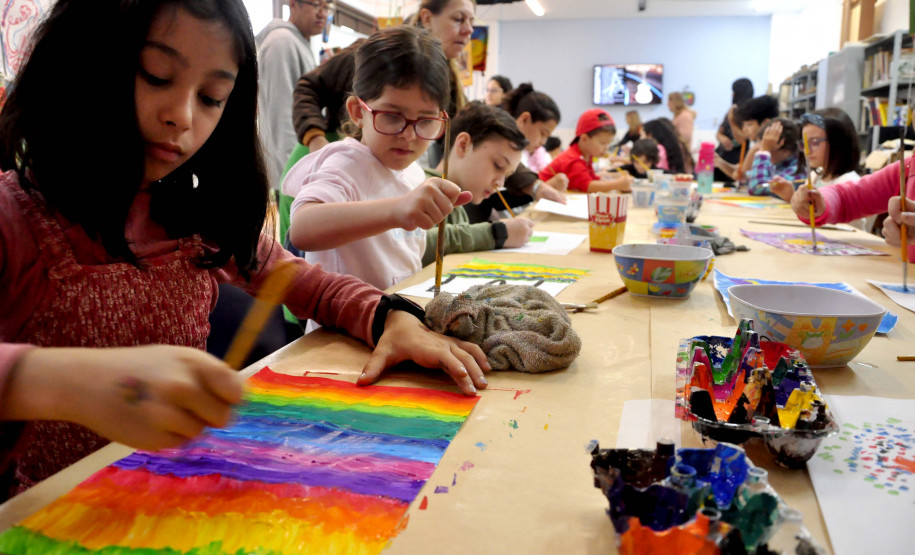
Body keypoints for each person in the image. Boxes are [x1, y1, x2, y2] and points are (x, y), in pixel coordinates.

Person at [0, 0, 488, 502]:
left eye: (212, 98)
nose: (182, 116)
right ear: (83, 63)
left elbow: (308, 283)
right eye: (156, 76)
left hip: (162, 503)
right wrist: (54, 381)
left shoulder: (196, 218)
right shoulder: (14, 218)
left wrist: (391, 318)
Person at [284, 26, 468, 291]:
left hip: (393, 322)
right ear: (358, 111)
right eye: (392, 116)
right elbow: (301, 229)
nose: (408, 136)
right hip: (341, 330)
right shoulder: (345, 163)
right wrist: (397, 210)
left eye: (426, 121)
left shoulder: (413, 171)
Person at [292, 0, 475, 154]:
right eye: (458, 19)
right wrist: (316, 140)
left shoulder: (449, 83)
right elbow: (307, 88)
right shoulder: (374, 57)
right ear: (427, 18)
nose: (469, 30)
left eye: (472, 22)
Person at [422, 101, 535, 265]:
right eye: (498, 166)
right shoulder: (419, 187)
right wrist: (496, 233)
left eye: (507, 175)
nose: (500, 182)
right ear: (463, 145)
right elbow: (413, 244)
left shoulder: (458, 206)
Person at [463, 83, 568, 223]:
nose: (544, 142)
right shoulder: (496, 141)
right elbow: (494, 199)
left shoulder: (523, 153)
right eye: (543, 133)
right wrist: (537, 188)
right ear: (524, 119)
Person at [255, 0, 331, 189]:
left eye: (326, 6)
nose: (322, 13)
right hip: (292, 173)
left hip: (298, 168)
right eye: (315, 5)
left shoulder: (299, 42)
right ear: (293, 4)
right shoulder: (283, 42)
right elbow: (282, 117)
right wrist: (298, 178)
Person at [538, 109, 633, 193]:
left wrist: (615, 177)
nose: (607, 148)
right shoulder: (573, 159)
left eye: (609, 143)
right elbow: (587, 186)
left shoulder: (586, 155)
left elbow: (591, 177)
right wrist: (618, 184)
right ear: (584, 139)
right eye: (603, 143)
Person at [745, 118, 805, 199]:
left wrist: (764, 151)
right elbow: (746, 178)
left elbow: (757, 187)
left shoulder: (797, 170)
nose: (759, 149)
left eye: (769, 147)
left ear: (785, 150)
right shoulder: (777, 164)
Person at [715, 78, 754, 182]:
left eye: (734, 92)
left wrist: (732, 121)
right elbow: (719, 133)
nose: (732, 95)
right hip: (722, 155)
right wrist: (722, 138)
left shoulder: (749, 114)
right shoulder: (732, 110)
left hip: (737, 159)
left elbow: (743, 139)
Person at [733, 94, 780, 178]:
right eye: (744, 125)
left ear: (765, 123)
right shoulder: (756, 145)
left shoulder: (761, 148)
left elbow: (742, 178)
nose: (744, 130)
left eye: (749, 124)